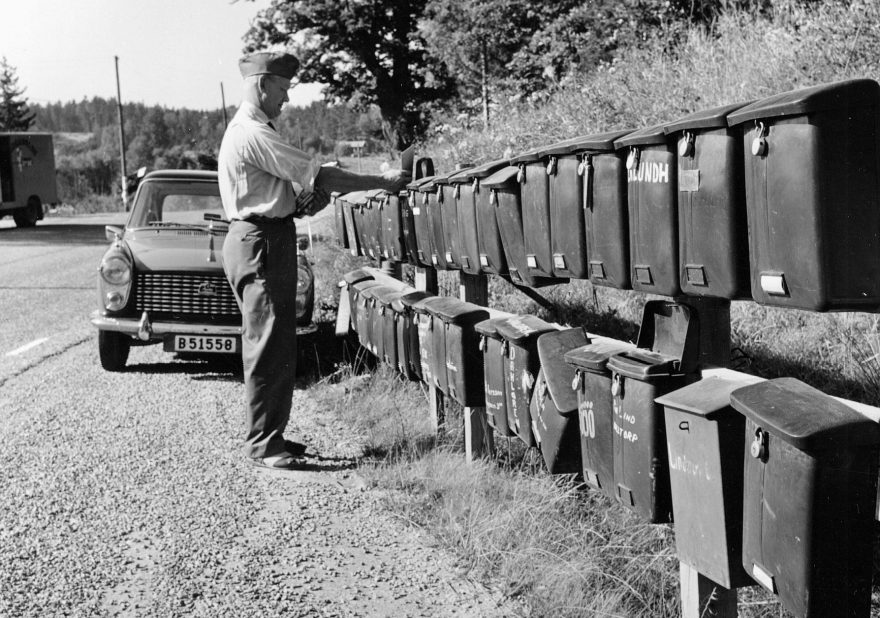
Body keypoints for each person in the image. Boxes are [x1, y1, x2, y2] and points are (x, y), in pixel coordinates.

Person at [218, 51, 410, 470]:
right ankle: (264, 444)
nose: (286, 99)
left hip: (265, 236)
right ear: (262, 85)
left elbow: (283, 193)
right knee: (268, 342)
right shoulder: (252, 132)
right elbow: (317, 173)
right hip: (262, 241)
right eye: (283, 89)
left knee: (276, 339)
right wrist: (382, 181)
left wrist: (299, 203)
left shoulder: (254, 129)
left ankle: (271, 435)